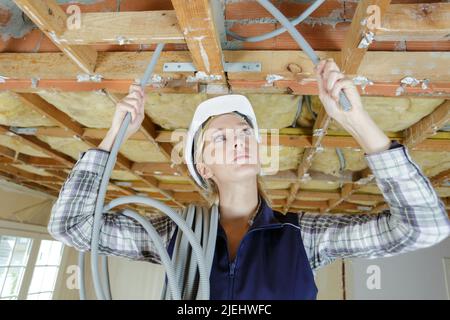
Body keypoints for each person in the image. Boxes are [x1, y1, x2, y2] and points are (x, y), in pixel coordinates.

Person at [48, 59, 450, 299]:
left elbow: (425, 227)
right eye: (220, 138)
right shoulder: (172, 237)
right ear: (204, 167)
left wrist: (356, 121)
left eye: (244, 133)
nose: (239, 141)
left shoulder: (302, 236)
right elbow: (72, 226)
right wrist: (111, 140)